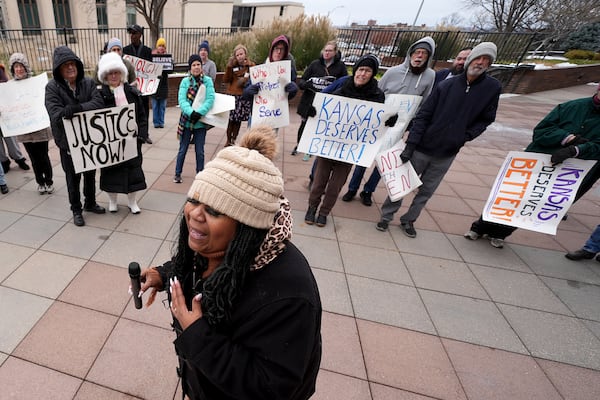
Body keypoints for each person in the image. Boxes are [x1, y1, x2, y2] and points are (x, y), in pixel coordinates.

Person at [136, 125, 322, 400]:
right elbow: (201, 262)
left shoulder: (288, 295)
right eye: (194, 200)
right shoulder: (219, 244)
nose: (195, 215)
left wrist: (197, 335)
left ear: (246, 227)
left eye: (214, 210)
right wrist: (162, 275)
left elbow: (271, 388)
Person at [376, 42, 502, 238]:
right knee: (401, 184)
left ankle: (409, 220)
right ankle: (386, 216)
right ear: (470, 60)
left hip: (447, 152)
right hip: (422, 147)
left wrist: (465, 136)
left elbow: (487, 118)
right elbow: (423, 116)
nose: (481, 62)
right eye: (478, 58)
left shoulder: (492, 88)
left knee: (426, 190)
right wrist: (410, 146)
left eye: (486, 60)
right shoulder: (447, 85)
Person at [466, 83, 600, 248]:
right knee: (511, 195)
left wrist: (576, 150)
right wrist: (568, 138)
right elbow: (541, 131)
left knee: (533, 202)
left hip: (569, 171)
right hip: (539, 160)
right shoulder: (571, 107)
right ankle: (479, 227)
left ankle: (501, 233)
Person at [342, 36, 437, 207]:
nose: (419, 56)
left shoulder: (430, 76)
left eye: (424, 53)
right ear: (410, 54)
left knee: (385, 160)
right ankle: (352, 188)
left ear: (428, 57)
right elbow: (377, 93)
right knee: (365, 157)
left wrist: (411, 124)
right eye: (417, 52)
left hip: (401, 127)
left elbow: (425, 100)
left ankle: (368, 191)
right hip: (380, 122)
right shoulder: (393, 72)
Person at [304, 54, 386, 227]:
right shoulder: (342, 87)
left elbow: (379, 123)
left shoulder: (377, 95)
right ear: (355, 70)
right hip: (329, 145)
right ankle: (312, 208)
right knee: (319, 182)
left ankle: (324, 212)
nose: (363, 74)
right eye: (361, 69)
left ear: (373, 74)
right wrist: (313, 112)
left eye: (368, 71)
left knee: (335, 186)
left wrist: (388, 122)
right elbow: (324, 105)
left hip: (350, 151)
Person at [45, 46, 106, 227]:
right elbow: (54, 113)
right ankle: (76, 209)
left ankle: (90, 202)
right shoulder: (52, 88)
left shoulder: (87, 83)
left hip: (89, 140)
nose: (71, 68)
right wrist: (66, 112)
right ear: (59, 69)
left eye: (73, 64)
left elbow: (98, 103)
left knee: (90, 174)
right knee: (73, 177)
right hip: (67, 143)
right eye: (66, 65)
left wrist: (79, 108)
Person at [96, 52, 148, 214]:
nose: (113, 76)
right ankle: (112, 201)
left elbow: (142, 116)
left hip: (131, 142)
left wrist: (142, 135)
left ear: (122, 73)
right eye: (110, 73)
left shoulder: (132, 93)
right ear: (105, 75)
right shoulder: (99, 96)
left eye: (116, 72)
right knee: (111, 174)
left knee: (133, 173)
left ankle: (132, 202)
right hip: (110, 145)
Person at [292, 41, 347, 156]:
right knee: (304, 124)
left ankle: (313, 147)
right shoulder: (315, 64)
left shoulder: (340, 67)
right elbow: (303, 79)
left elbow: (344, 84)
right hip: (310, 99)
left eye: (330, 51)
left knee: (319, 126)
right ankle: (299, 145)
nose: (327, 53)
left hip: (326, 102)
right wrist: (305, 84)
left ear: (335, 52)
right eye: (325, 50)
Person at [9, 52, 54, 194]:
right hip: (25, 129)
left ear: (25, 67)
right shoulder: (9, 87)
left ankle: (49, 181)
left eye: (21, 66)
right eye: (15, 66)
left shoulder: (36, 83)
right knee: (34, 159)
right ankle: (40, 182)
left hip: (40, 127)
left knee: (44, 156)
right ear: (12, 69)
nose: (18, 69)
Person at [173, 54, 215, 184]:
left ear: (201, 67)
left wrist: (200, 112)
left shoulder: (207, 81)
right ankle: (177, 173)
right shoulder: (185, 82)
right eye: (193, 65)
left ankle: (200, 174)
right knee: (182, 149)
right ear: (190, 68)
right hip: (187, 121)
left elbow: (210, 99)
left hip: (200, 122)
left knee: (200, 151)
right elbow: (182, 99)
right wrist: (191, 112)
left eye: (198, 64)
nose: (196, 67)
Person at [123, 24, 153, 139]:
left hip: (144, 88)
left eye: (135, 33)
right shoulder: (125, 50)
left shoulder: (147, 51)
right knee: (131, 110)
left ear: (140, 35)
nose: (132, 36)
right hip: (131, 86)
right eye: (131, 33)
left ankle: (145, 134)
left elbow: (151, 70)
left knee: (144, 111)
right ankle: (132, 133)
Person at [222, 44, 255, 146]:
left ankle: (233, 139)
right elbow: (226, 80)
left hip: (243, 96)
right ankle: (228, 139)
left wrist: (246, 79)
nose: (240, 56)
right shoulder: (232, 66)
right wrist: (229, 67)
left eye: (241, 54)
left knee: (238, 120)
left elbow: (255, 78)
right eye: (237, 55)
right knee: (230, 120)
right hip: (233, 96)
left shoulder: (251, 66)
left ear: (245, 54)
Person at [0, 62, 30, 173]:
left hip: (4, 110)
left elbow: (5, 87)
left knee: (10, 137)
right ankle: (4, 161)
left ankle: (19, 158)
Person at [151, 37, 169, 129]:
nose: (161, 47)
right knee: (155, 106)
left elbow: (170, 71)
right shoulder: (152, 57)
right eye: (160, 46)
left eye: (163, 46)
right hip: (154, 86)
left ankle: (161, 122)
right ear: (157, 47)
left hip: (164, 86)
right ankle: (155, 122)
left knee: (162, 106)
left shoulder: (168, 58)